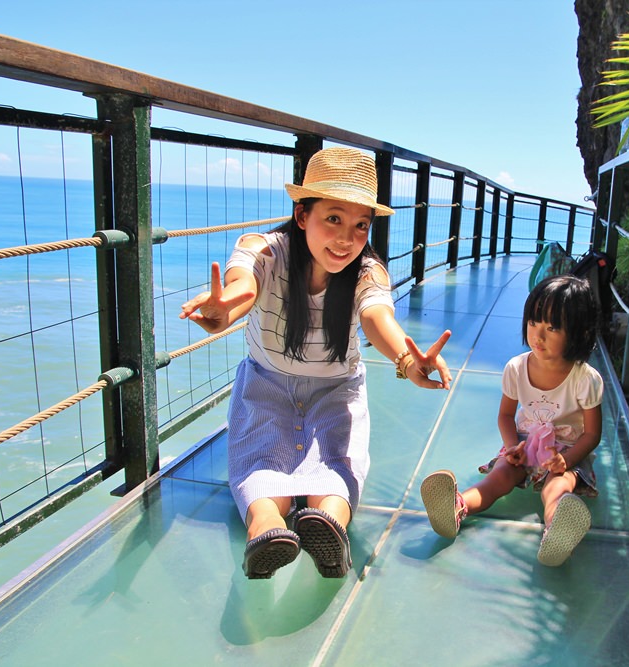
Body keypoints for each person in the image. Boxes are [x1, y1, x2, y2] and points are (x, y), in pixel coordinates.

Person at [180, 147, 452, 579]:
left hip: (335, 390)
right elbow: (243, 286)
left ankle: (328, 530)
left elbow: (376, 315)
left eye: (360, 225)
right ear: (302, 214)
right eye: (334, 218)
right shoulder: (265, 249)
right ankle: (266, 533)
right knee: (259, 465)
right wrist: (224, 310)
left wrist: (405, 356)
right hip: (267, 384)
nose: (347, 238)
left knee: (337, 469)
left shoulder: (368, 271)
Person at [420, 274, 603, 566]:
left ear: (578, 333)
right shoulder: (517, 368)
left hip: (567, 450)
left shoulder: (585, 379)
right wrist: (511, 447)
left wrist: (566, 461)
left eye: (552, 327)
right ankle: (458, 507)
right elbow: (506, 415)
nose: (538, 335)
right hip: (525, 443)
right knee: (500, 476)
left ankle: (558, 529)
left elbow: (592, 434)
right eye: (533, 322)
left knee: (557, 486)